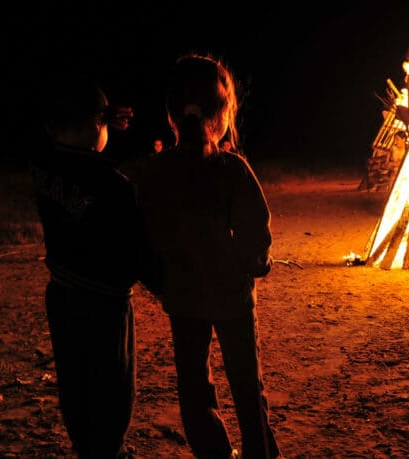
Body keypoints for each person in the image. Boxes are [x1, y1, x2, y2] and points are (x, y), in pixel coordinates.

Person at [133, 53, 281, 459]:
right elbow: (256, 229)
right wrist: (254, 264)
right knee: (247, 383)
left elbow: (143, 236)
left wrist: (159, 281)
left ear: (171, 116)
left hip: (182, 297)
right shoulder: (231, 169)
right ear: (224, 113)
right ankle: (259, 452)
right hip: (232, 296)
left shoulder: (155, 172)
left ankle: (214, 452)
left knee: (194, 385)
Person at [30, 73, 147, 458]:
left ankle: (87, 448)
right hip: (105, 305)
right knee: (113, 391)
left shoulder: (44, 166)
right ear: (98, 125)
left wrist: (98, 119)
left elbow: (69, 142)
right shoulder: (114, 184)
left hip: (62, 295)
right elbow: (136, 254)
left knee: (76, 384)